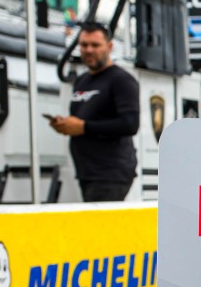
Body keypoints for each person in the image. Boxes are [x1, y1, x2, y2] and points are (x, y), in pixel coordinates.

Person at [47, 22, 140, 202]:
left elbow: (130, 124)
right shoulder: (82, 80)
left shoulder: (121, 80)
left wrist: (84, 127)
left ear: (110, 46)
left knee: (103, 229)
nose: (89, 50)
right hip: (86, 171)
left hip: (110, 174)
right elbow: (85, 119)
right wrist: (65, 124)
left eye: (95, 45)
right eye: (84, 45)